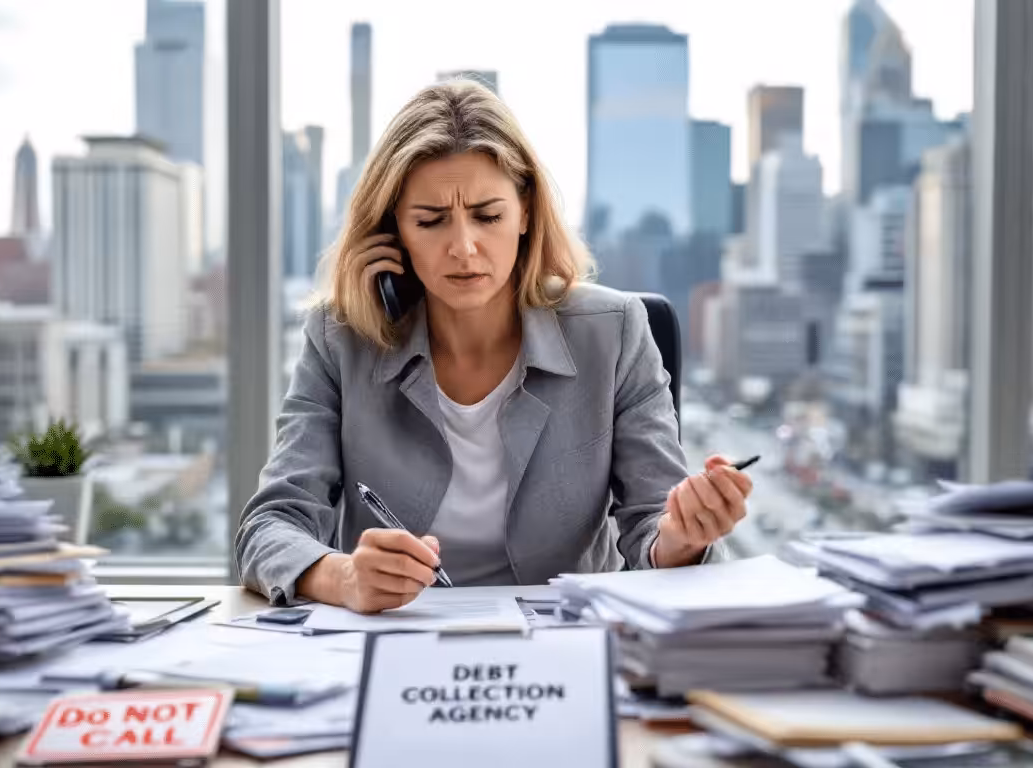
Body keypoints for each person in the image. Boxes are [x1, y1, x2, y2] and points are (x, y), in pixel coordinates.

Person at [237, 80, 752, 612]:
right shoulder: (340, 338)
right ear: (394, 230)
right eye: (430, 221)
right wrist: (342, 577)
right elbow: (268, 526)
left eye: (488, 216)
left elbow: (653, 530)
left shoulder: (615, 332)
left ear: (525, 212)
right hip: (396, 639)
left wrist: (684, 536)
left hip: (560, 642)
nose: (463, 247)